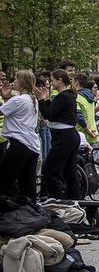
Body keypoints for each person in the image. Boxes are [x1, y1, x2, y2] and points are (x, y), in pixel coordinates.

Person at [0, 71, 45, 199]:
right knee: (27, 183)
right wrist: (6, 96)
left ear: (22, 83)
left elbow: (1, 111)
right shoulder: (32, 99)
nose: (13, 81)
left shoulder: (18, 100)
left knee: (4, 179)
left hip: (19, 144)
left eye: (16, 79)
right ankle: (30, 210)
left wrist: (5, 96)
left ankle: (8, 210)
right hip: (32, 145)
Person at [38, 69, 81, 199]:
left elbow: (48, 114)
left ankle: (57, 199)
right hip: (70, 135)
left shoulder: (63, 96)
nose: (50, 84)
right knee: (69, 171)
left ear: (60, 81)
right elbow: (54, 111)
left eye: (52, 80)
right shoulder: (68, 95)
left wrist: (41, 100)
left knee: (51, 170)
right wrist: (46, 100)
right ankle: (74, 199)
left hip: (64, 137)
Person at [74, 74, 99, 149]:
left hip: (82, 135)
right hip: (94, 133)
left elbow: (79, 117)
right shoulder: (90, 96)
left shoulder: (77, 97)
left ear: (76, 83)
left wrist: (88, 131)